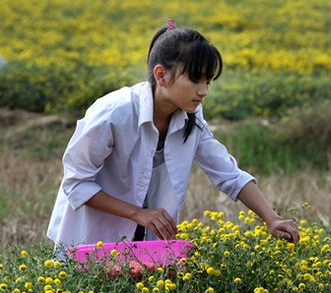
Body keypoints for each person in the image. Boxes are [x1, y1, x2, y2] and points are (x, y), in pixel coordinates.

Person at [47, 19, 299, 258]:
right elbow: (76, 184)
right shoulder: (115, 113)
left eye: (208, 81)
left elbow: (229, 173)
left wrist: (271, 218)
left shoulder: (191, 117)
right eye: (195, 79)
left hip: (145, 248)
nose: (204, 91)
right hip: (89, 242)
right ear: (161, 75)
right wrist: (138, 214)